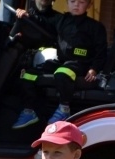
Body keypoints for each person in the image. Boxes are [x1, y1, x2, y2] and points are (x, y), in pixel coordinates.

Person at [12, 0, 107, 129]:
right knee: (28, 75)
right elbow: (43, 22)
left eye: (81, 2)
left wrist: (94, 69)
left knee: (62, 73)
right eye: (72, 1)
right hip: (61, 62)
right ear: (67, 3)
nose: (76, 5)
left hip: (81, 64)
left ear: (89, 5)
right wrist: (27, 16)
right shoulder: (60, 20)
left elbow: (101, 52)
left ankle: (64, 108)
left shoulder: (95, 27)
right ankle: (30, 111)